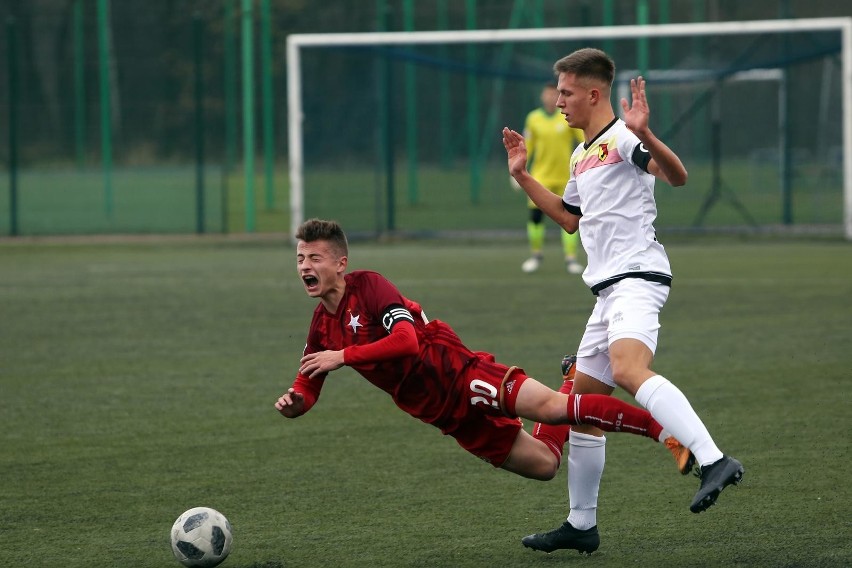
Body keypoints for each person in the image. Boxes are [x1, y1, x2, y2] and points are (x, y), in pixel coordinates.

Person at [502, 47, 744, 554]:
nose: (559, 102)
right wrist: (523, 176)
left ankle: (714, 458)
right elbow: (570, 217)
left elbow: (676, 176)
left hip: (637, 277)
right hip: (607, 291)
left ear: (593, 93)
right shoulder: (580, 153)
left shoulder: (621, 140)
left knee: (629, 369)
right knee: (582, 408)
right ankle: (581, 525)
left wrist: (646, 134)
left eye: (566, 93)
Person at [275, 218, 693, 490]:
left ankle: (668, 435)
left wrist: (343, 356)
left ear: (341, 263)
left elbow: (408, 342)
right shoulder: (321, 326)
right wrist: (296, 402)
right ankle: (573, 375)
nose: (304, 266)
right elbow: (306, 384)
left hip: (459, 372)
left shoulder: (370, 287)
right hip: (442, 413)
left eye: (314, 257)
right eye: (300, 258)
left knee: (553, 409)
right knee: (545, 465)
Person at [515, 83, 586, 275]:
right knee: (536, 217)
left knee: (570, 217)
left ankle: (571, 259)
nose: (550, 97)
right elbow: (526, 146)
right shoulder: (534, 118)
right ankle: (536, 255)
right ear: (542, 97)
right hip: (540, 176)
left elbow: (584, 140)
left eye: (553, 94)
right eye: (546, 94)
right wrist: (518, 173)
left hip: (566, 177)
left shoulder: (567, 116)